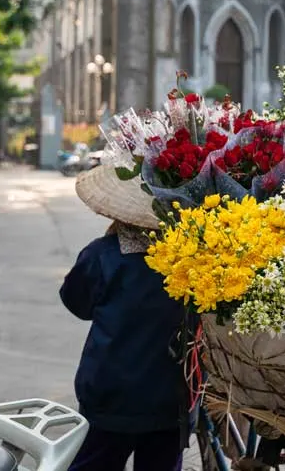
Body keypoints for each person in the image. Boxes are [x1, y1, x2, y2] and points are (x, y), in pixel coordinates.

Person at [63, 166, 189, 471]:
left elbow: (76, 302)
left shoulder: (103, 255)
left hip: (109, 397)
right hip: (169, 400)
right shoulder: (190, 258)